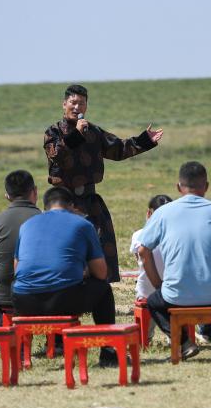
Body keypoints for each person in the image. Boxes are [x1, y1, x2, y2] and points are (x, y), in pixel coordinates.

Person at [43, 84, 164, 283]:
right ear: (64, 104)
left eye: (81, 103)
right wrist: (77, 135)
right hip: (62, 201)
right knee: (64, 244)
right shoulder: (53, 131)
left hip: (90, 199)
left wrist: (144, 141)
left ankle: (98, 287)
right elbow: (56, 155)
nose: (77, 107)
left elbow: (118, 149)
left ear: (86, 107)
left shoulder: (94, 131)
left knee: (100, 242)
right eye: (73, 102)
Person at [137, 161, 211, 361]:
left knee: (153, 301)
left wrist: (158, 285)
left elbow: (143, 251)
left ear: (179, 187)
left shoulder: (163, 213)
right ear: (206, 186)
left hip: (175, 297)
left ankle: (184, 343)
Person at [12, 186, 118, 365]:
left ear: (45, 206)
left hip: (24, 302)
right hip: (63, 299)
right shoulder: (83, 224)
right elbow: (101, 272)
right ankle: (107, 351)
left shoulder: (27, 225)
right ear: (72, 206)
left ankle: (22, 353)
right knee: (104, 289)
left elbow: (17, 269)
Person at [0, 170, 40, 326]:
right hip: (44, 295)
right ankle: (56, 342)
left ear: (7, 195)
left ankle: (7, 338)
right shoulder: (45, 219)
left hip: (7, 298)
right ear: (35, 191)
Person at [129, 194, 173, 342]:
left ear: (149, 213)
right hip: (175, 291)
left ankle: (146, 337)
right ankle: (174, 335)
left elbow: (140, 261)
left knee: (147, 293)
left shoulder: (138, 235)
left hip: (145, 293)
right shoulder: (178, 235)